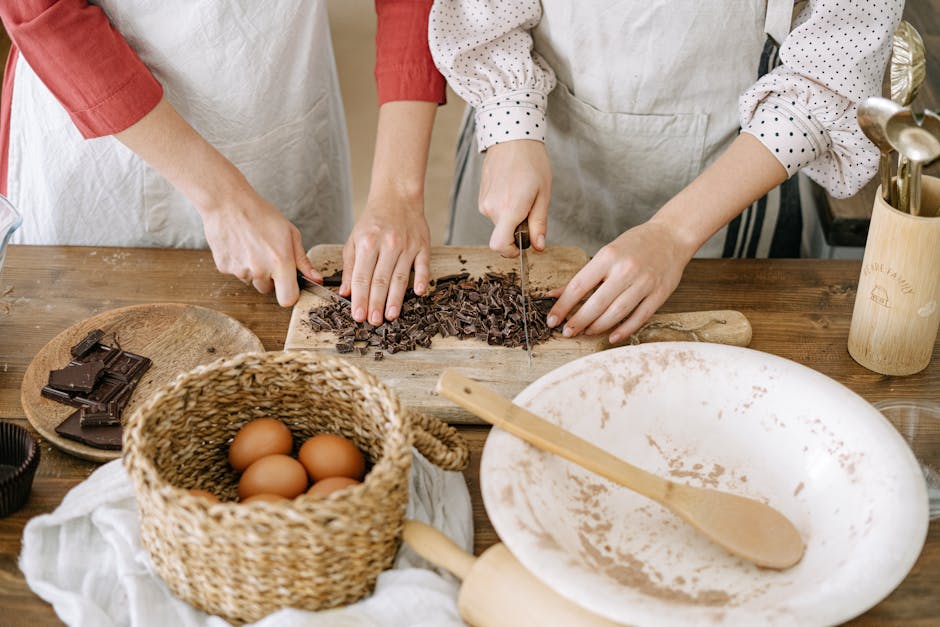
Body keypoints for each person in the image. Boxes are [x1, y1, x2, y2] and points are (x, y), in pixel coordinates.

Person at [428, 0, 903, 343]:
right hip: (531, 132)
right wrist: (510, 122)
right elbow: (481, 13)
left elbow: (829, 76)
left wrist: (674, 233)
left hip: (724, 172)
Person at [0, 0, 445, 308]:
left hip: (279, 102)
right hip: (102, 128)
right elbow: (43, 10)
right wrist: (222, 198)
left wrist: (399, 193)